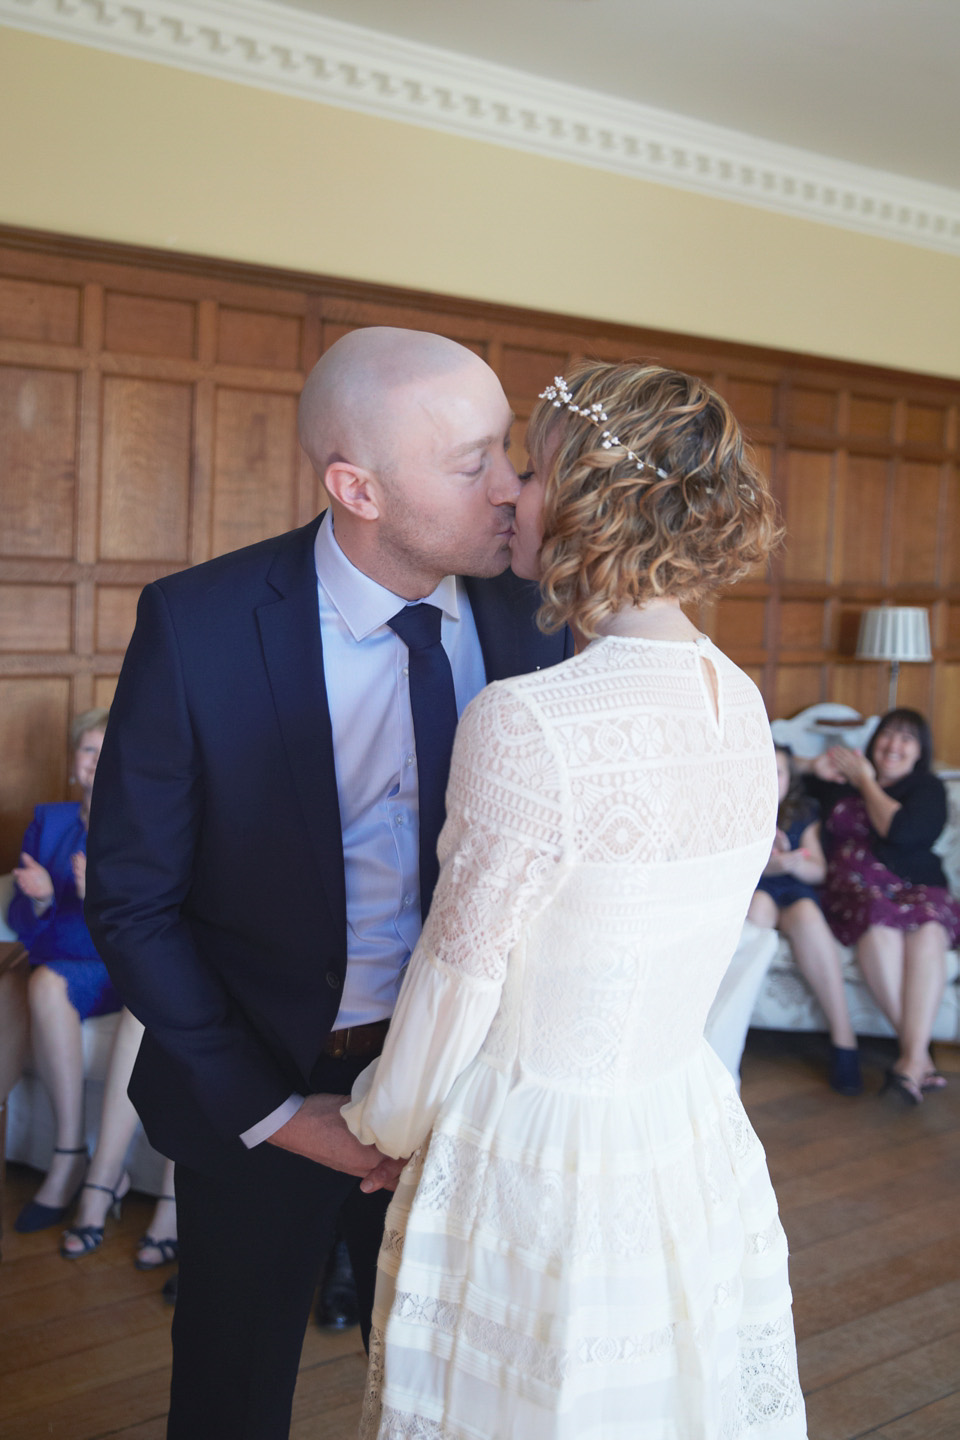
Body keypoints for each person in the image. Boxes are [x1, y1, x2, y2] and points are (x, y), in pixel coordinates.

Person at [84, 327, 572, 1440]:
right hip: (266, 1090)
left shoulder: (542, 618)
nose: (513, 491)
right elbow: (133, 898)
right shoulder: (198, 626)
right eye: (472, 465)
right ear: (356, 486)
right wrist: (275, 1113)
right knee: (230, 1393)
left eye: (510, 452)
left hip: (474, 1093)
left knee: (449, 1394)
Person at [341, 363, 807, 1437]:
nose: (511, 493)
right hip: (679, 1128)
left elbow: (459, 975)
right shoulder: (741, 701)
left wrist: (387, 1123)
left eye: (536, 469)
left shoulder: (530, 721)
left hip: (538, 1149)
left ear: (591, 501)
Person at [10, 708, 179, 1256]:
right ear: (73, 764)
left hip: (128, 964)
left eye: (109, 752)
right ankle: (66, 1154)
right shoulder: (50, 821)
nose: (97, 761)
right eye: (88, 750)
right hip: (72, 962)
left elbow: (162, 915)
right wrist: (37, 898)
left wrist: (100, 897)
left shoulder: (148, 822)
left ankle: (106, 1183)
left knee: (144, 1007)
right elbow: (21, 919)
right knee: (42, 985)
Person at [808, 708, 960, 1104]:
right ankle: (918, 1059)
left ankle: (909, 1062)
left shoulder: (926, 788)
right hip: (857, 893)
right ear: (874, 742)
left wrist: (867, 783)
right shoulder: (837, 782)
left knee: (929, 930)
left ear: (919, 751)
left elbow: (901, 831)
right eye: (888, 735)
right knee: (878, 928)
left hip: (918, 886)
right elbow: (779, 764)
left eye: (906, 739)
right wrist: (817, 765)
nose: (894, 745)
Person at [748, 744, 861, 1094]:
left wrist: (794, 862)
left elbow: (819, 871)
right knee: (756, 911)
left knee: (809, 916)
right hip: (758, 886)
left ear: (790, 778)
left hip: (796, 888)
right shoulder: (743, 808)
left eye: (779, 772)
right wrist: (766, 863)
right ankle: (732, 1026)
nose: (772, 777)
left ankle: (844, 1040)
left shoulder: (804, 812)